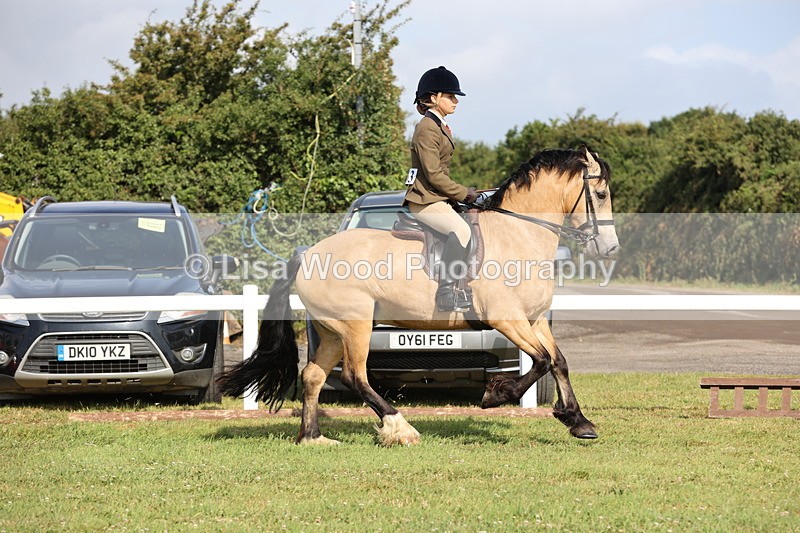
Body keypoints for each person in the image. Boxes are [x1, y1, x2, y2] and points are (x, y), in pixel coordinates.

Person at [403, 66, 479, 312]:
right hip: (424, 201)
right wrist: (463, 193)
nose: (456, 101)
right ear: (434, 98)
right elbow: (434, 174)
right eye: (450, 96)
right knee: (461, 230)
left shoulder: (439, 126)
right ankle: (446, 292)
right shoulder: (426, 128)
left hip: (436, 198)